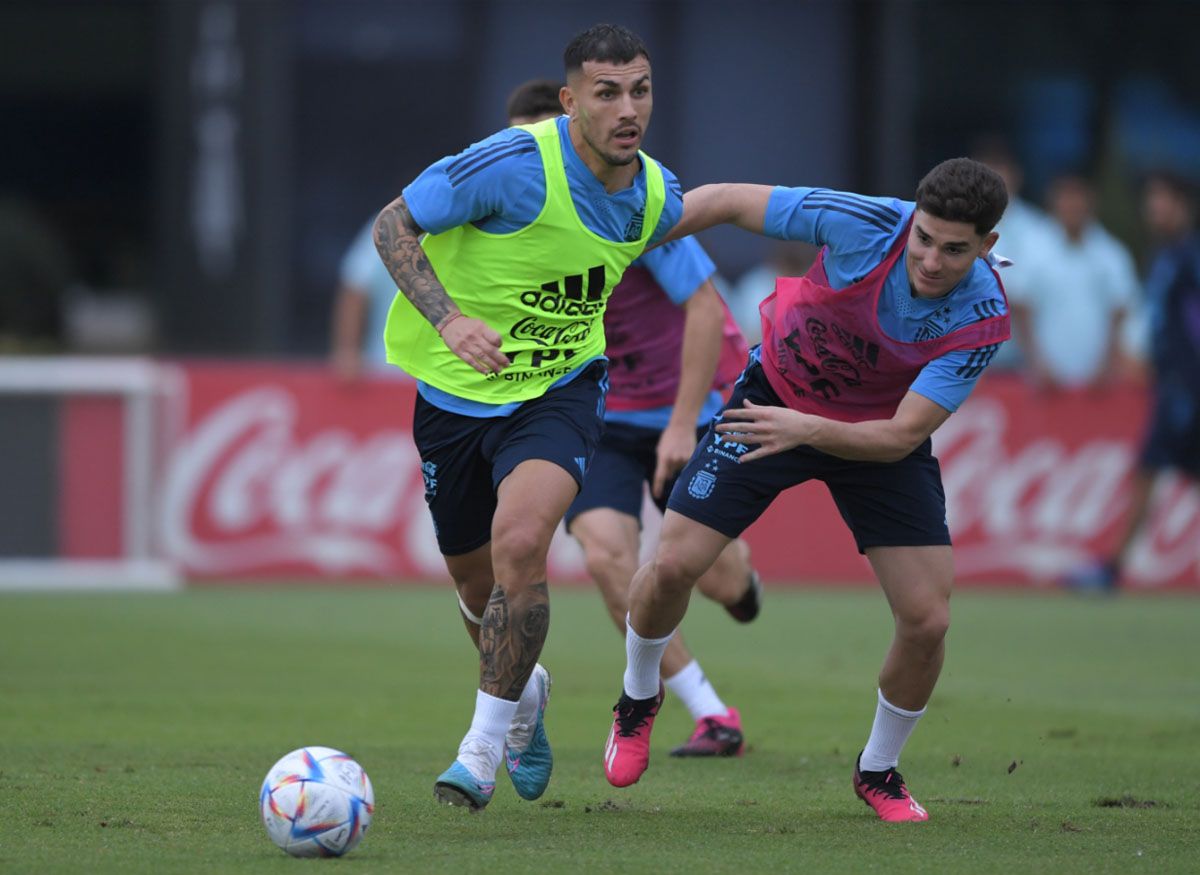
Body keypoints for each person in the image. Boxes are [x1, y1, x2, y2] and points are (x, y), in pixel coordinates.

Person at [602, 159, 1012, 823]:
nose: (932, 260)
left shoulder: (983, 315)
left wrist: (809, 431)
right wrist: (628, 239)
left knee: (928, 619)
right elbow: (731, 195)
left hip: (873, 438)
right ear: (912, 217)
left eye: (956, 248)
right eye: (925, 238)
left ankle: (878, 769)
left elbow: (901, 435)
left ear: (988, 247)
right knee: (672, 564)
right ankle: (638, 697)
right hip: (775, 400)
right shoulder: (864, 224)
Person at [373, 24, 684, 811]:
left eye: (640, 90)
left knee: (521, 543)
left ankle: (480, 745)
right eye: (608, 92)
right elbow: (392, 225)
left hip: (561, 391)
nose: (627, 109)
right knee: (479, 592)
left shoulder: (655, 196)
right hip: (451, 394)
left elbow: (739, 212)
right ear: (570, 100)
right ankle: (526, 696)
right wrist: (448, 320)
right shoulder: (509, 166)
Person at [566, 231, 762, 758]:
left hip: (686, 412)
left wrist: (678, 427)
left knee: (718, 578)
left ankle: (741, 583)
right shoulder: (524, 222)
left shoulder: (636, 210)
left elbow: (704, 306)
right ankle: (713, 715)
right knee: (608, 557)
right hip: (597, 419)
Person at [330, 80, 565, 380]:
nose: (531, 157)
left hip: (496, 378)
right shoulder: (407, 216)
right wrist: (347, 353)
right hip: (398, 374)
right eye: (521, 140)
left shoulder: (582, 213)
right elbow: (356, 284)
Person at [1062, 170, 1200, 592]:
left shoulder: (1190, 258)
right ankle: (1113, 567)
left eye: (1164, 201)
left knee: (1148, 471)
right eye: (1152, 200)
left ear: (1184, 206)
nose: (1154, 209)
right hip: (1174, 388)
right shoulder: (1166, 257)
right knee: (1148, 471)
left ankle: (1112, 569)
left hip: (1188, 390)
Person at [1009, 171, 1140, 392]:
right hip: (1045, 381)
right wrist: (1036, 362)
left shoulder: (1111, 253)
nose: (1072, 206)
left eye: (1078, 198)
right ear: (1054, 201)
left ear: (1091, 201)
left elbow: (1121, 311)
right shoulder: (1032, 247)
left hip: (1097, 384)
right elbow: (1021, 308)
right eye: (1066, 197)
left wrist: (1107, 363)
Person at [970, 136, 1054, 372]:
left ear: (1015, 175)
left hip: (1019, 358)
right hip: (964, 351)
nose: (994, 180)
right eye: (986, 171)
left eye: (1000, 170)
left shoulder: (1038, 229)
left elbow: (1029, 296)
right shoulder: (959, 224)